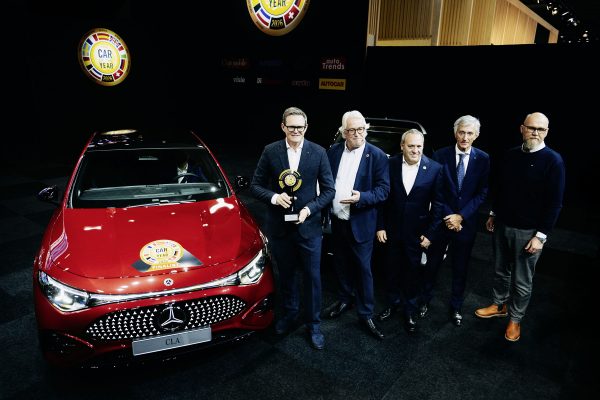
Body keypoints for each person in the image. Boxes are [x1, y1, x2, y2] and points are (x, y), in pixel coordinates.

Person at [475, 112, 565, 342]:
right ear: (522, 128)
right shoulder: (511, 155)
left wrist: (540, 236)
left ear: (546, 132)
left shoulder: (553, 161)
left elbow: (555, 203)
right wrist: (493, 213)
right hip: (503, 224)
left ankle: (515, 319)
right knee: (500, 271)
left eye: (541, 129)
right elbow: (502, 188)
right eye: (532, 128)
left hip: (529, 232)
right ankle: (499, 305)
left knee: (522, 281)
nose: (535, 132)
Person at [250, 106, 335, 350]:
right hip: (280, 228)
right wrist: (275, 198)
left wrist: (309, 209)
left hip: (309, 228)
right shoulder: (271, 151)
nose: (296, 130)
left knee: (312, 278)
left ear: (306, 128)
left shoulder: (318, 152)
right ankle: (289, 314)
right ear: (283, 127)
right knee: (286, 275)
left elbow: (329, 190)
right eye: (291, 127)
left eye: (300, 127)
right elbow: (255, 186)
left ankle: (314, 324)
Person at [323, 110, 390, 340]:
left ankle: (366, 313)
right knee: (340, 263)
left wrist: (362, 197)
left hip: (361, 223)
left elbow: (384, 190)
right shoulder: (333, 152)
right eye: (352, 130)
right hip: (337, 221)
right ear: (343, 132)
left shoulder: (377, 156)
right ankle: (344, 299)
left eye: (361, 129)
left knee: (363, 270)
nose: (358, 134)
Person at [421, 115, 490, 326]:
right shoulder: (440, 155)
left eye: (470, 133)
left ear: (476, 135)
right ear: (455, 133)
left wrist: (461, 216)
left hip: (465, 223)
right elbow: (436, 190)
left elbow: (482, 192)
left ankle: (456, 306)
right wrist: (449, 216)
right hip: (441, 220)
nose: (465, 137)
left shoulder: (483, 158)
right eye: (461, 132)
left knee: (461, 267)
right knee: (432, 264)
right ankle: (424, 300)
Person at [376, 129, 443, 333]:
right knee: (391, 269)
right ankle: (392, 303)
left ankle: (410, 310)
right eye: (411, 146)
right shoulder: (390, 164)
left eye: (419, 146)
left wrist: (430, 234)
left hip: (417, 233)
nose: (415, 150)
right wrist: (380, 226)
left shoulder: (435, 169)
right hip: (391, 230)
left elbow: (438, 205)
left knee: (413, 272)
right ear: (402, 146)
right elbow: (382, 198)